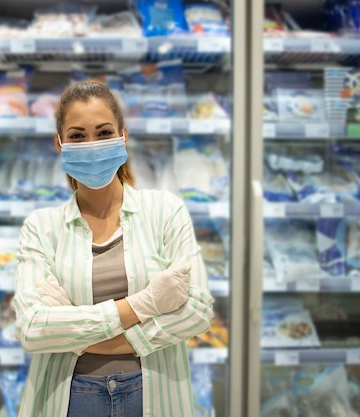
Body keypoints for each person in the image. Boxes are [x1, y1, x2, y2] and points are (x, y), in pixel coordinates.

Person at [11, 80, 214, 417]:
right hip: (69, 398)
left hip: (153, 396)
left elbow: (197, 310)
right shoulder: (41, 227)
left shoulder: (165, 211)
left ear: (124, 136)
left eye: (104, 132)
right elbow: (32, 329)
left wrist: (77, 338)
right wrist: (146, 304)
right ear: (59, 144)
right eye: (77, 136)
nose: (91, 145)